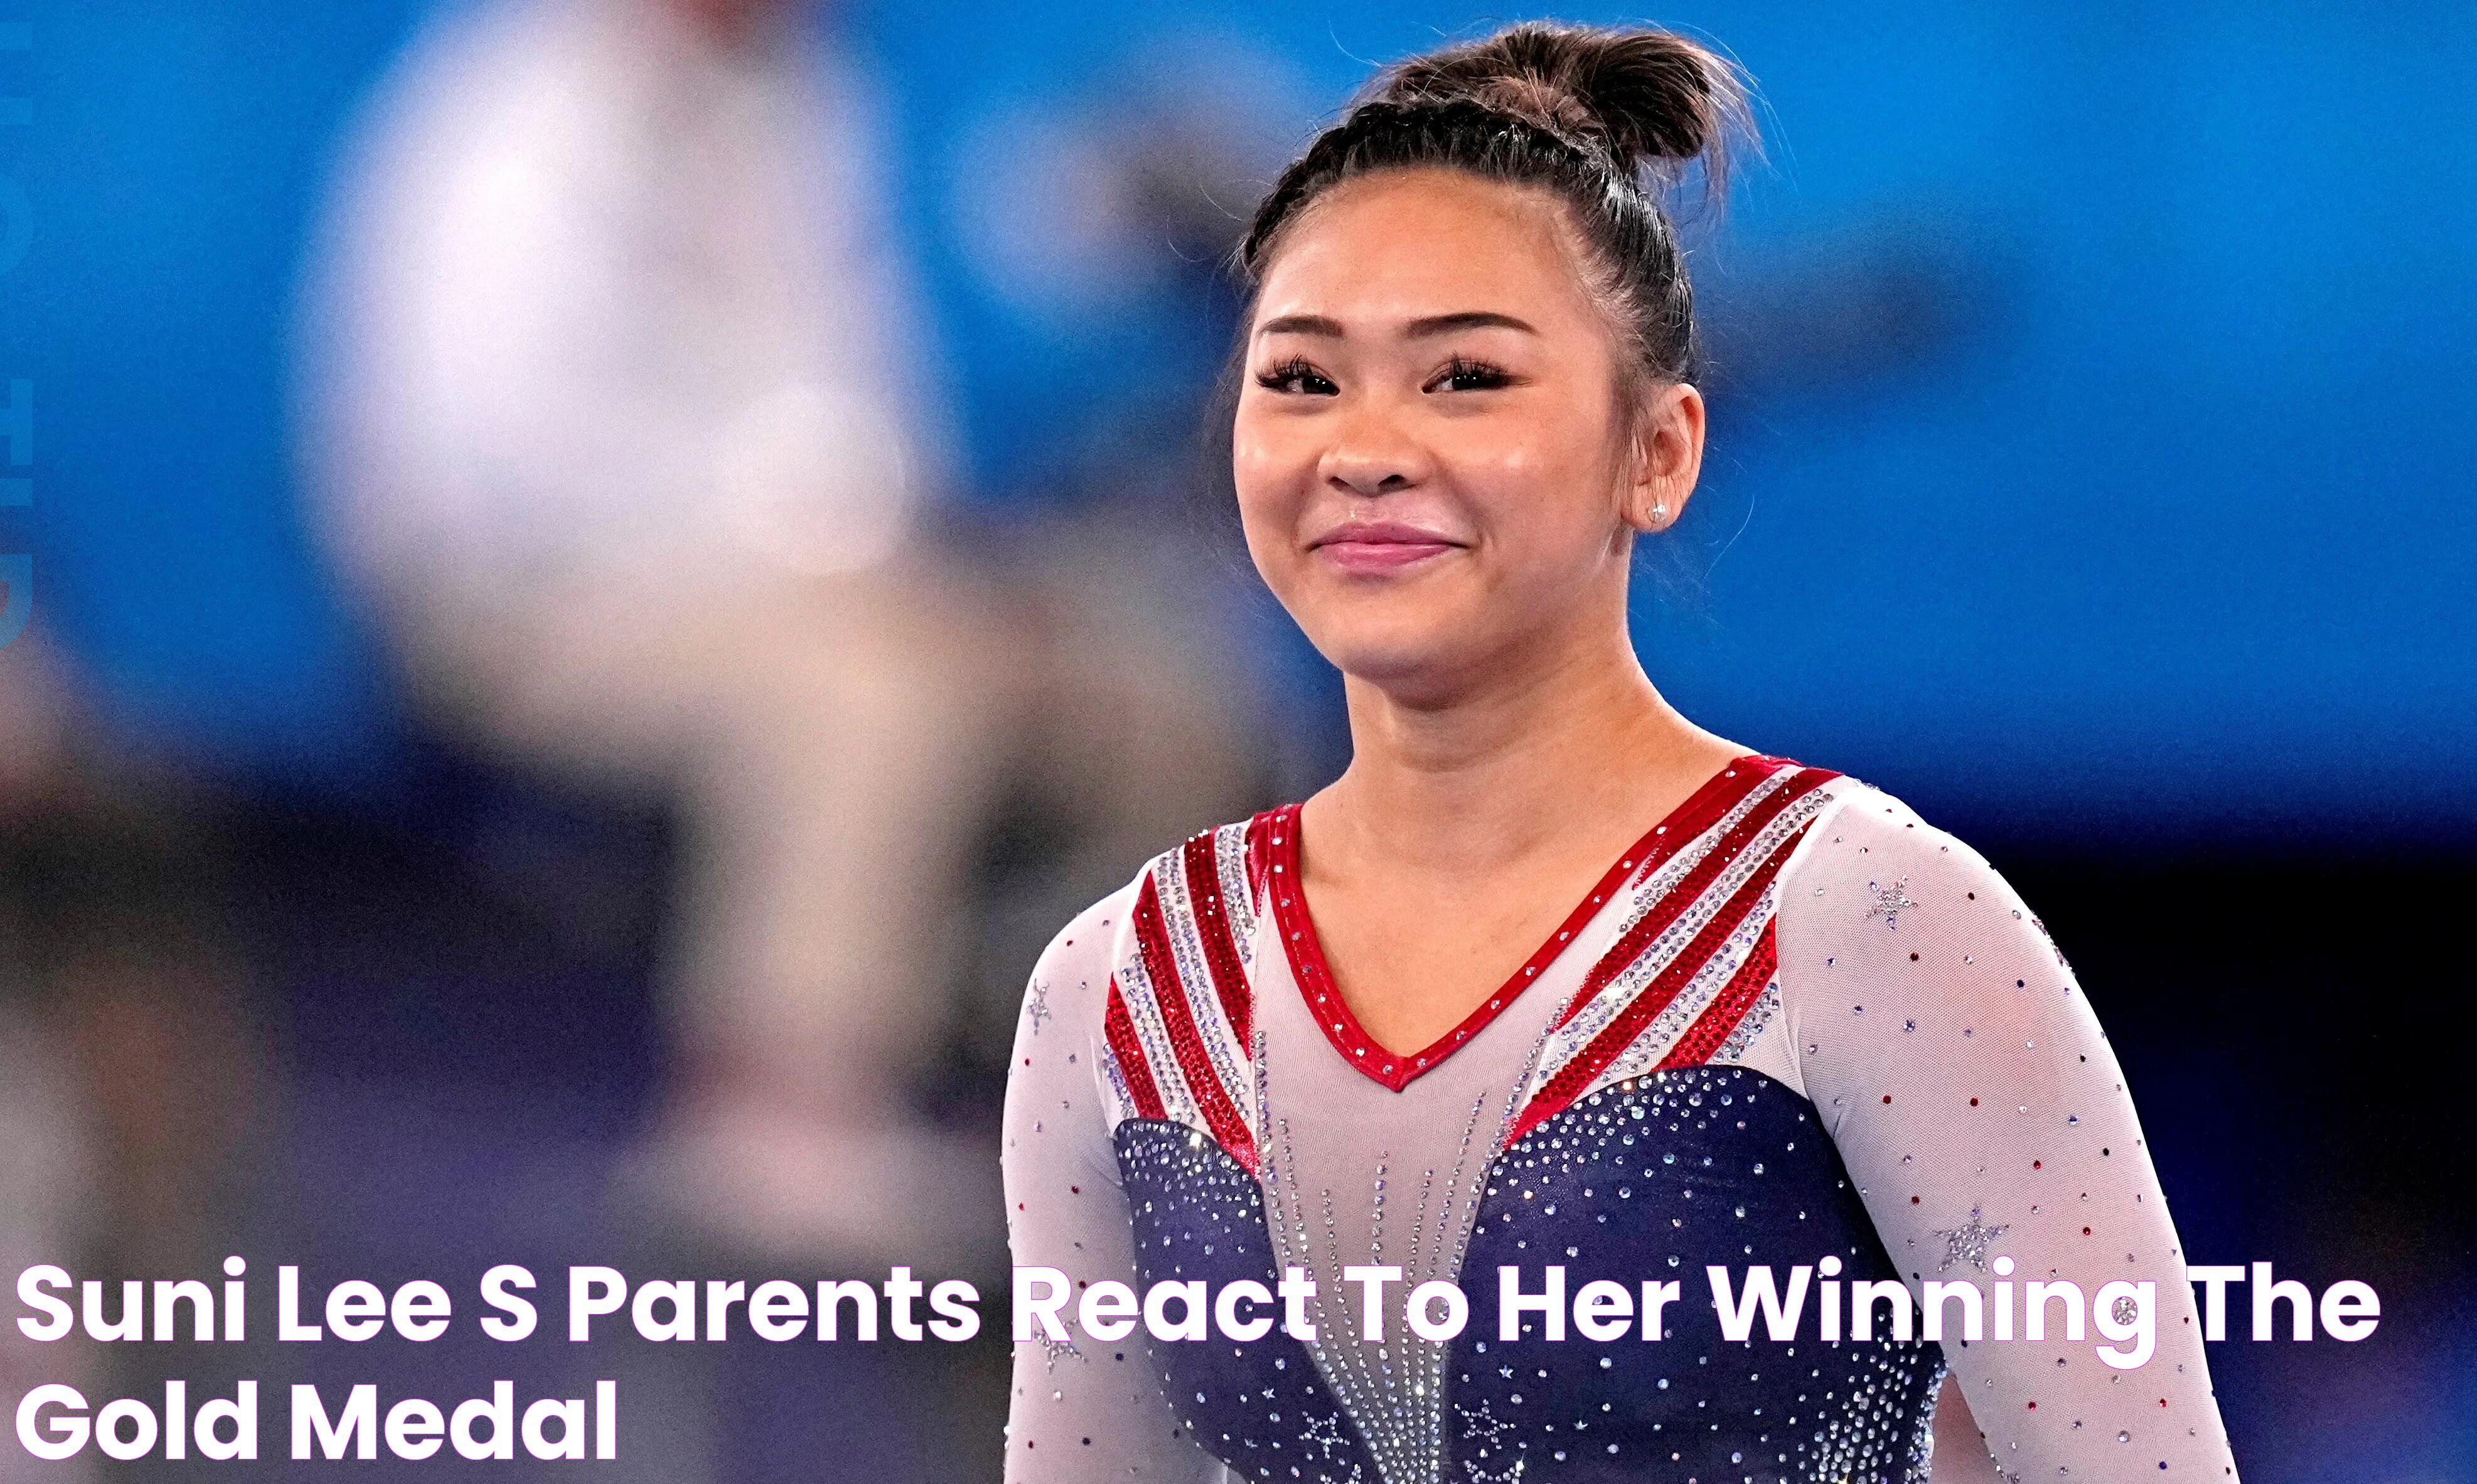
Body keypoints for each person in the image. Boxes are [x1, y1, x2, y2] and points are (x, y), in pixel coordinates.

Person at [1000, 21, 2241, 1483]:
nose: (1367, 447)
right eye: (1302, 379)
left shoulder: (1866, 923)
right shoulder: (1121, 983)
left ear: (1658, 451)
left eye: (1466, 377)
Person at [300, 0, 1006, 1265]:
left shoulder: (803, 94)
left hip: (772, 570)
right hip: (518, 601)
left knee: (1109, 671)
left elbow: (858, 389)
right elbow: (498, 466)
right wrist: (807, 547)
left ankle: (1089, 1086)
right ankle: (775, 1117)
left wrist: (893, 541)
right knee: (866, 686)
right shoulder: (518, 105)